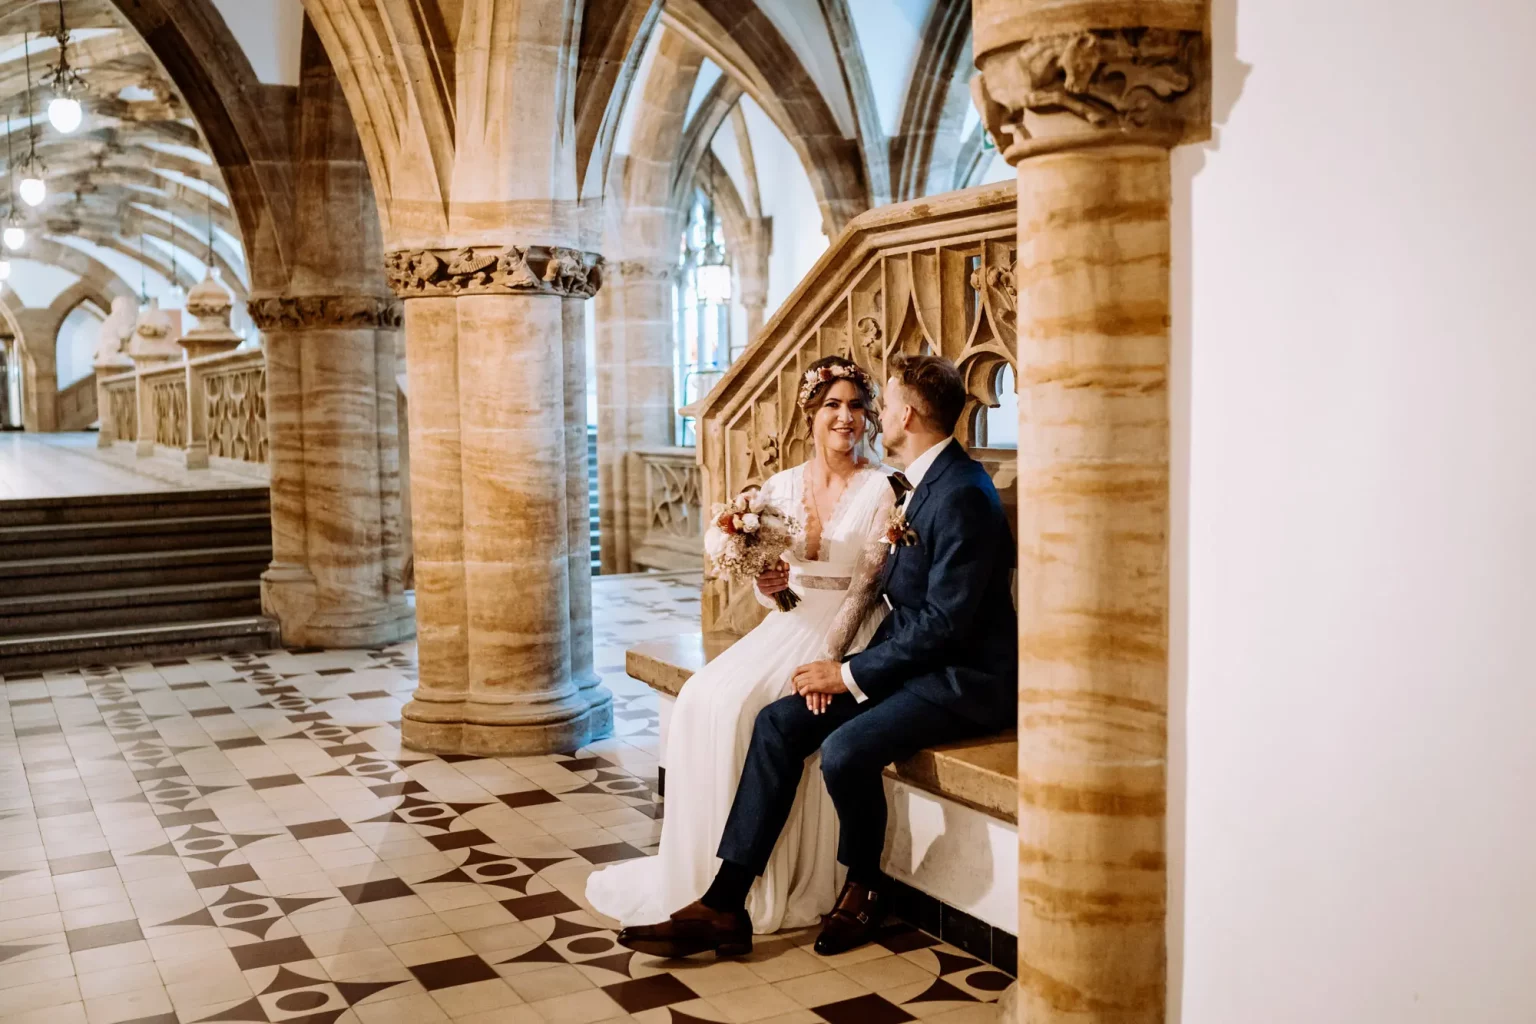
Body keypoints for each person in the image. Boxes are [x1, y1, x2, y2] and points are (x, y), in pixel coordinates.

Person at [611, 354, 1017, 959]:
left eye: (881, 401)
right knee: (778, 722)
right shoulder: (926, 481)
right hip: (909, 660)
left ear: (905, 412)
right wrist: (845, 668)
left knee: (847, 751)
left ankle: (864, 888)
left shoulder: (958, 491)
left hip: (961, 679)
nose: (871, 413)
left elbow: (945, 625)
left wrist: (847, 670)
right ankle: (725, 904)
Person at [586, 355, 896, 935]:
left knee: (747, 712)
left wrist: (830, 659)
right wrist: (767, 585)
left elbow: (870, 586)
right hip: (789, 623)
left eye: (857, 406)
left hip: (851, 632)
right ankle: (702, 878)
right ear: (810, 413)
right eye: (833, 404)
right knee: (704, 698)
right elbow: (771, 584)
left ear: (872, 417)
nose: (845, 417)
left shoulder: (883, 487)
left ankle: (754, 888)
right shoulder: (779, 486)